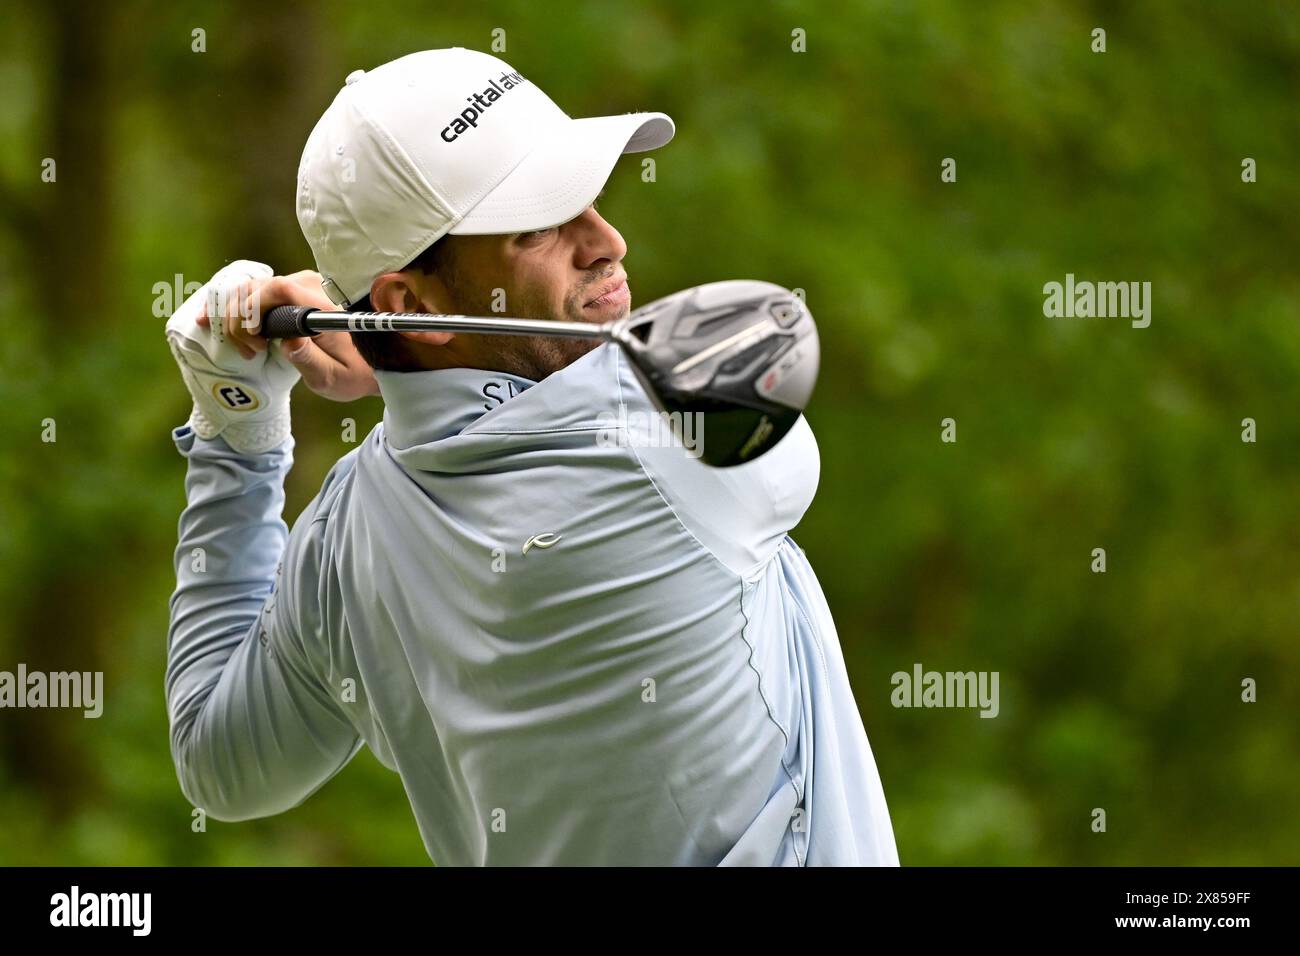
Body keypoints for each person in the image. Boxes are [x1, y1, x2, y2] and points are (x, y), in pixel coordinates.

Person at [164, 47, 899, 866]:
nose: (607, 240)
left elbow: (219, 765)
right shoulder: (671, 448)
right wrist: (393, 372)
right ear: (412, 304)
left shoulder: (344, 540)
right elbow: (756, 348)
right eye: (540, 226)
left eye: (585, 200)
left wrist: (238, 430)